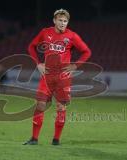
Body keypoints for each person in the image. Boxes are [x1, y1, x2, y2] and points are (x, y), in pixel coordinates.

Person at [23, 9, 91, 145]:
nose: (62, 23)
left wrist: (75, 66)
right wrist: (38, 64)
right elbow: (31, 47)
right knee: (40, 105)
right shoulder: (45, 32)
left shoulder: (72, 36)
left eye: (65, 21)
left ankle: (56, 140)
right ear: (54, 20)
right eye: (60, 20)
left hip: (63, 78)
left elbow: (86, 52)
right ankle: (34, 139)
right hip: (47, 76)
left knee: (61, 108)